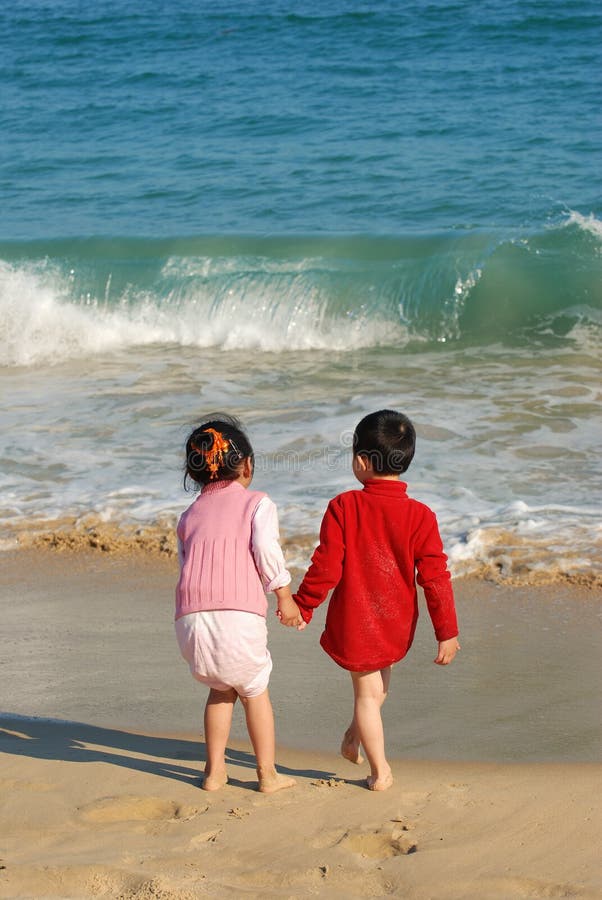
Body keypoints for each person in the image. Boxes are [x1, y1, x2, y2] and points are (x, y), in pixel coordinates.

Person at [280, 409, 460, 791]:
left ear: (361, 461)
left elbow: (325, 567)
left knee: (370, 693)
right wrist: (447, 631)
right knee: (374, 690)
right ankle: (360, 743)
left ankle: (378, 770)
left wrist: (304, 603)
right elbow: (435, 578)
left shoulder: (344, 507)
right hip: (396, 620)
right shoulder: (421, 516)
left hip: (357, 620)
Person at [175, 414, 304, 793]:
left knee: (219, 690)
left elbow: (186, 565)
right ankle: (268, 775)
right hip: (237, 616)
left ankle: (214, 773)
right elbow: (265, 550)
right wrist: (283, 594)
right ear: (247, 465)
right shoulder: (257, 504)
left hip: (189, 619)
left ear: (195, 473)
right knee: (253, 688)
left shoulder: (187, 516)